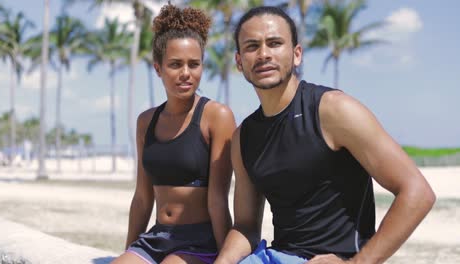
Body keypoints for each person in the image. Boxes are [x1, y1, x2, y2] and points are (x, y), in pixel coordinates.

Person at [214, 6, 436, 264]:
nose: (263, 54)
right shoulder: (245, 136)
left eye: (274, 43)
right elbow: (245, 226)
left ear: (297, 54)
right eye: (252, 46)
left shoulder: (333, 111)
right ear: (240, 62)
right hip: (275, 257)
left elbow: (417, 192)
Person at [111, 4, 235, 264]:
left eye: (194, 64)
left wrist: (226, 257)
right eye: (175, 64)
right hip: (156, 238)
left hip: (199, 242)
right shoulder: (146, 121)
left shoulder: (216, 116)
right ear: (158, 68)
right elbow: (143, 197)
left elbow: (218, 199)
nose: (186, 74)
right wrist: (128, 252)